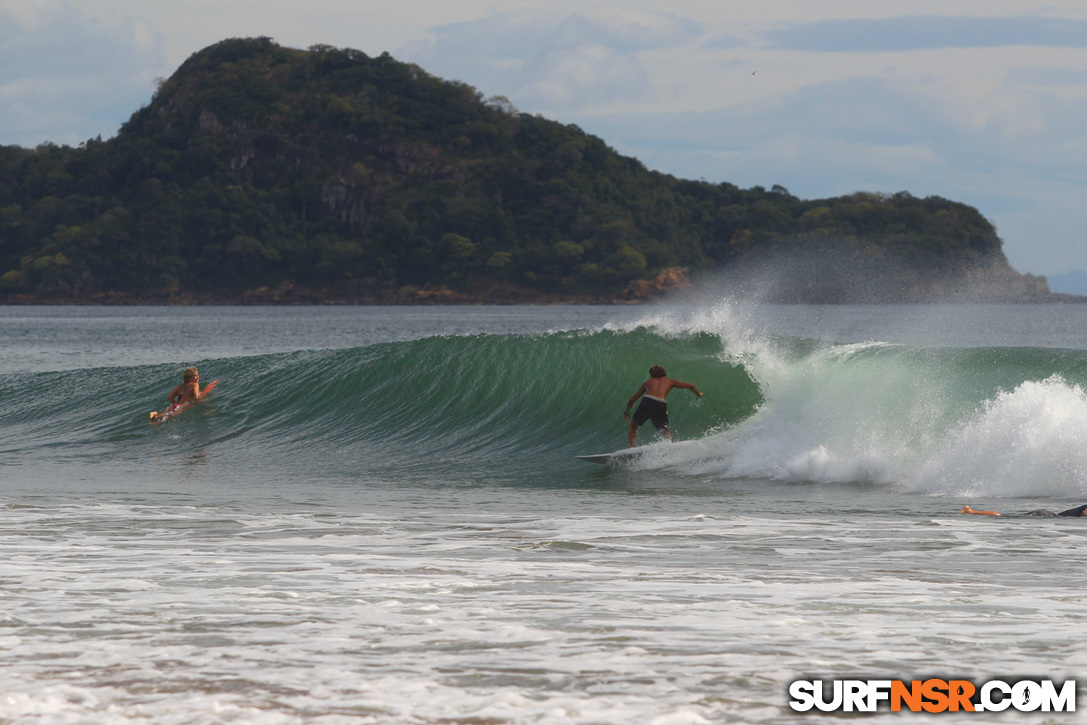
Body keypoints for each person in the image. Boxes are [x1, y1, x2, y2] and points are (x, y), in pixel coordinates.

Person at [623, 365, 702, 448]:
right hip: (660, 403)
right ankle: (671, 446)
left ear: (651, 374)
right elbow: (691, 386)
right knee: (664, 431)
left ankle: (631, 448)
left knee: (633, 426)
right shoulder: (670, 381)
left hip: (647, 401)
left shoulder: (647, 383)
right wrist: (698, 395)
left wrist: (627, 412)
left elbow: (632, 400)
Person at [151, 366, 217, 420]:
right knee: (167, 417)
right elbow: (196, 397)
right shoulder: (194, 385)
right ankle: (155, 417)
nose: (198, 377)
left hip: (175, 406)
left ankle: (155, 414)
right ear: (189, 378)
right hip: (182, 406)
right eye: (195, 375)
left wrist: (176, 404)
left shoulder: (180, 387)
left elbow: (170, 397)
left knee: (161, 416)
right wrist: (192, 403)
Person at [959, 504, 1087, 518]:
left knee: (1005, 517)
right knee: (1003, 518)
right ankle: (970, 511)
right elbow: (1084, 513)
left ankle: (971, 511)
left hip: (1047, 515)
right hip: (1045, 515)